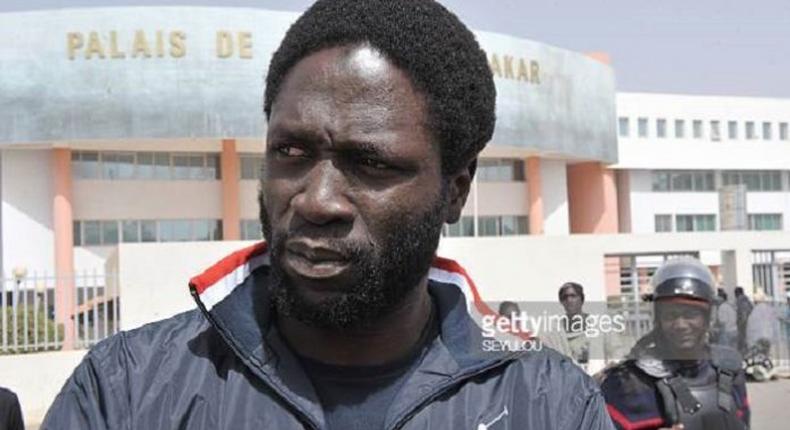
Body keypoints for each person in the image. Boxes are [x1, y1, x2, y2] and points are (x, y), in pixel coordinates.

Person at [43, 1, 614, 429]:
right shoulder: (126, 392)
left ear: (455, 191)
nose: (317, 201)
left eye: (369, 163)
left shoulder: (551, 405)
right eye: (290, 153)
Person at [599, 258, 749, 430]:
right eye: (670, 315)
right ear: (658, 319)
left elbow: (744, 422)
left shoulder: (729, 370)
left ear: (708, 317)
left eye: (691, 314)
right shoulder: (627, 383)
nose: (681, 325)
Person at [558, 282, 591, 367]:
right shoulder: (557, 329)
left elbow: (616, 353)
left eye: (573, 296)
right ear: (562, 302)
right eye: (565, 297)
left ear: (581, 299)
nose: (569, 300)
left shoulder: (599, 325)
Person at [734, 286, 753, 353]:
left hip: (743, 324)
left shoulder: (740, 301)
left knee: (741, 339)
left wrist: (741, 323)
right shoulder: (748, 301)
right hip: (749, 323)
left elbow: (742, 313)